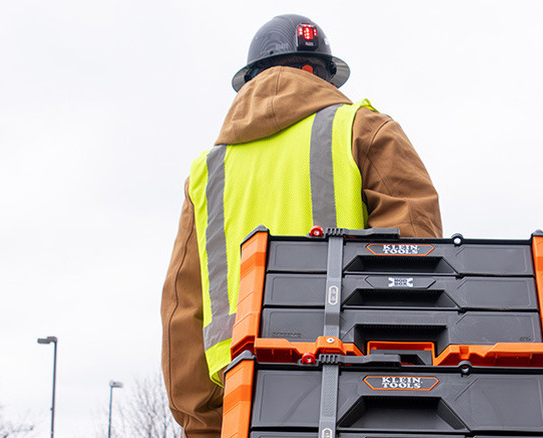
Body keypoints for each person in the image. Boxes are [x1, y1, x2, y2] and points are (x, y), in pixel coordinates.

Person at [160, 14, 442, 437]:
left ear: (250, 80)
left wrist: (206, 426)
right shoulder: (364, 130)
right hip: (360, 398)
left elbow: (182, 315)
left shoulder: (207, 175)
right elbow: (414, 262)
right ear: (323, 77)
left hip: (246, 406)